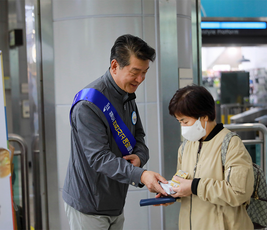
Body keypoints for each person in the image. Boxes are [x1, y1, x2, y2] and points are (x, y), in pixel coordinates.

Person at [62, 34, 168, 230]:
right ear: (114, 66)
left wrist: (140, 157)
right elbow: (99, 157)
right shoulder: (88, 105)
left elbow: (139, 137)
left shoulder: (126, 94)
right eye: (135, 72)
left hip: (115, 201)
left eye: (145, 72)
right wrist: (142, 175)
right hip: (88, 204)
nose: (140, 79)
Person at [156, 85, 254, 230]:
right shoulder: (185, 147)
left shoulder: (231, 144)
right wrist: (172, 194)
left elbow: (238, 192)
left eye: (185, 122)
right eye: (180, 122)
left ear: (204, 118)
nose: (183, 127)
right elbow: (183, 183)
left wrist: (194, 186)